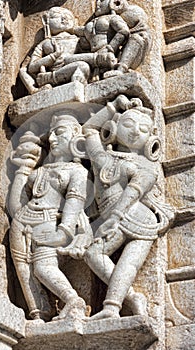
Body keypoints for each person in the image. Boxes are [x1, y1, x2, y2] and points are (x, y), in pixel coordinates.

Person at [82, 95, 174, 319]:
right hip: (127, 216)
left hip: (133, 214)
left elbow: (135, 191)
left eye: (143, 129)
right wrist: (113, 107)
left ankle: (118, 304)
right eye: (129, 124)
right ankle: (120, 303)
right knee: (121, 263)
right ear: (113, 128)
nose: (135, 132)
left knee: (95, 253)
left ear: (150, 139)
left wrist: (114, 218)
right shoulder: (103, 157)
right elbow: (88, 129)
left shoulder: (144, 165)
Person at [9, 113, 92, 322]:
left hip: (48, 221)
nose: (53, 139)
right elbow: (16, 204)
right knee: (23, 269)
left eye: (60, 132)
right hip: (22, 220)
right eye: (51, 134)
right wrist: (23, 169)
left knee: (43, 267)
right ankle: (38, 313)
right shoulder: (41, 169)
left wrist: (63, 232)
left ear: (76, 137)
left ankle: (73, 301)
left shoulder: (77, 171)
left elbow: (74, 202)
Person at [83, 0, 152, 79]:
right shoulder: (95, 20)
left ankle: (121, 69)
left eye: (101, 1)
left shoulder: (115, 17)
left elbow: (124, 31)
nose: (97, 5)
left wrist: (110, 48)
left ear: (114, 3)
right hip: (97, 55)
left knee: (136, 38)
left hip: (111, 53)